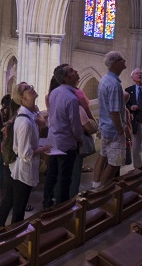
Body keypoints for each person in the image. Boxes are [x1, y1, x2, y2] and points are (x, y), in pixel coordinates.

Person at [0, 83, 50, 229]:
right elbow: (25, 153)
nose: (32, 88)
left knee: (10, 200)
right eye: (27, 89)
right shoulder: (24, 122)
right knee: (18, 210)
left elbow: (41, 121)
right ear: (22, 97)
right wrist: (43, 149)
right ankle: (13, 242)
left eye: (30, 86)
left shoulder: (29, 114)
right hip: (22, 172)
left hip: (19, 170)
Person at [43, 65, 83, 209]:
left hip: (53, 141)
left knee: (52, 175)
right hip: (66, 143)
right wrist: (80, 139)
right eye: (72, 71)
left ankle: (47, 205)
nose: (76, 71)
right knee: (65, 179)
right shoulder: (71, 98)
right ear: (66, 78)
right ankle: (61, 210)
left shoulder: (54, 93)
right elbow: (76, 126)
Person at [92, 51, 130, 188]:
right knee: (114, 163)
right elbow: (115, 112)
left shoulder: (104, 79)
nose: (124, 61)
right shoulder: (114, 84)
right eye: (122, 59)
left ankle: (95, 185)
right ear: (115, 63)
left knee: (103, 156)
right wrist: (121, 130)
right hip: (114, 130)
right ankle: (101, 192)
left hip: (105, 127)